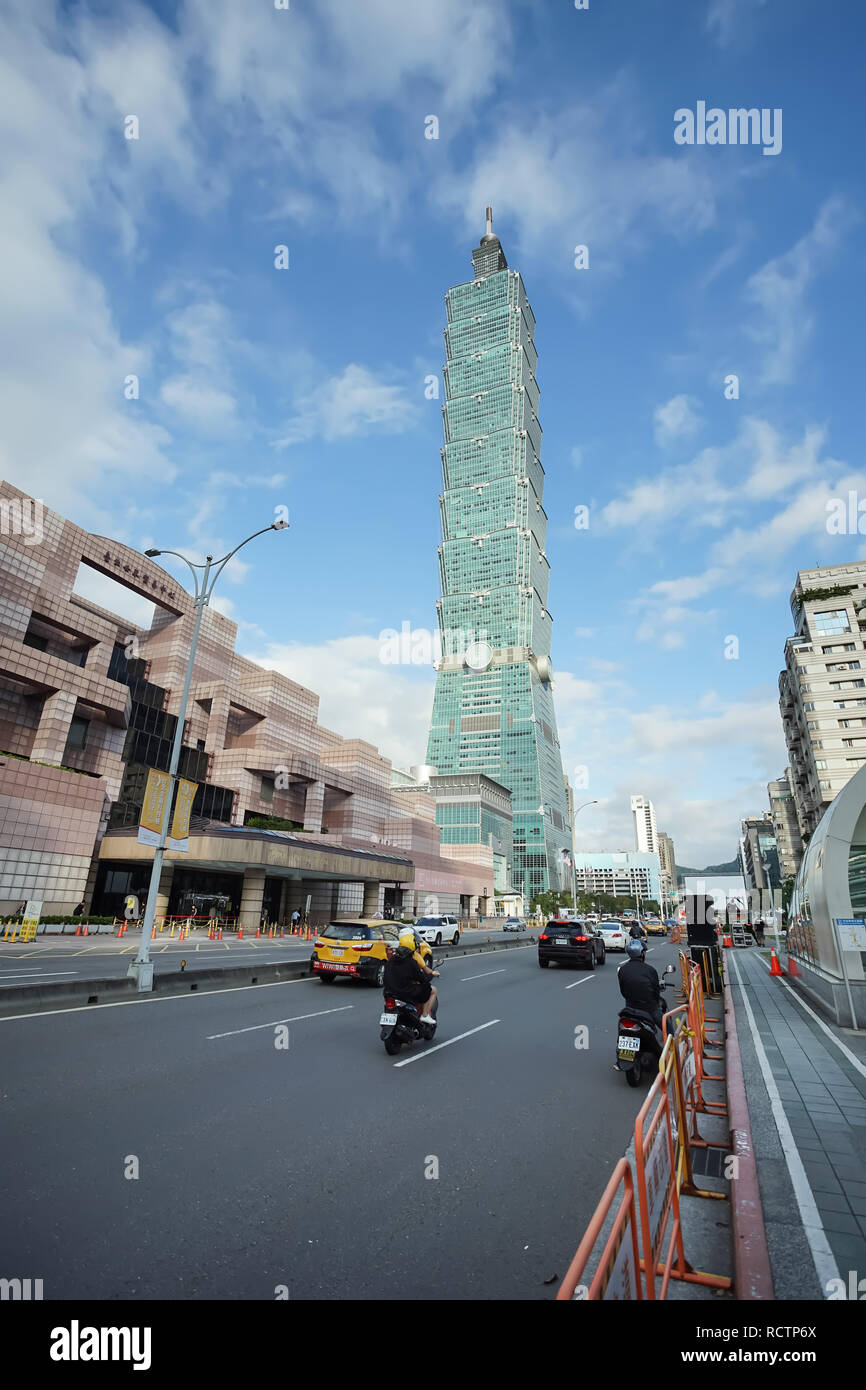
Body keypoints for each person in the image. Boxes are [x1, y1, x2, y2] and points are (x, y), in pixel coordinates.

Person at [383, 927, 440, 1021]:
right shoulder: (411, 961)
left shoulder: (392, 959)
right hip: (405, 991)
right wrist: (429, 977)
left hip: (389, 992)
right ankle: (425, 1016)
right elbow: (421, 977)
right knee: (428, 989)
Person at [617, 938, 664, 1029]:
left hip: (630, 1008)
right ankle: (673, 1041)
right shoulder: (650, 970)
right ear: (642, 953)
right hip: (649, 1008)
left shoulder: (622, 970)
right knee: (667, 1028)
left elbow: (623, 990)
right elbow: (656, 991)